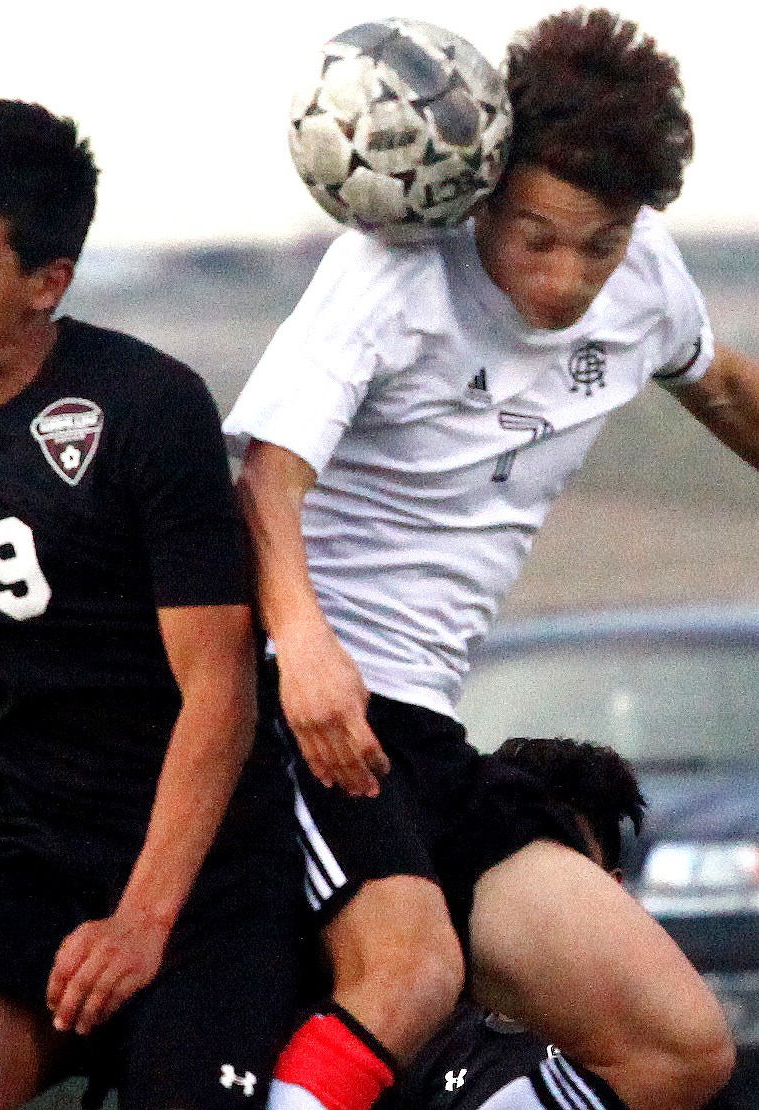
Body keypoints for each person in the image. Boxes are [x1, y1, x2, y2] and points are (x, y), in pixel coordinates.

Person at [224, 9, 752, 1110]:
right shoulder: (392, 271)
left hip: (429, 733)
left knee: (679, 1046)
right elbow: (265, 478)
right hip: (313, 703)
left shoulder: (649, 284)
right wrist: (305, 645)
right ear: (484, 189)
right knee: (409, 973)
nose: (563, 278)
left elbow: (729, 393)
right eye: (534, 234)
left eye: (598, 243)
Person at [0, 99, 300, 1109]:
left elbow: (218, 696)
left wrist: (141, 922)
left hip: (207, 867)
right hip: (31, 863)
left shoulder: (149, 409)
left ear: (47, 284)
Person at [382, 735, 646, 1110]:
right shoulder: (424, 1038)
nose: (535, 894)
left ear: (613, 892)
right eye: (519, 868)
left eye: (566, 871)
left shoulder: (655, 1051)